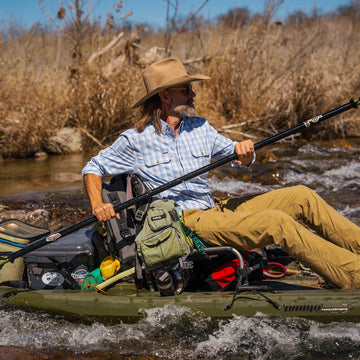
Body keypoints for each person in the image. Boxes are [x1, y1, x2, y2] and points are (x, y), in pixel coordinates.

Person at [82, 58, 360, 289]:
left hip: (214, 210)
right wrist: (98, 204)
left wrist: (245, 152)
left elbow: (235, 154)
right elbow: (93, 167)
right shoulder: (135, 140)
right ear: (165, 96)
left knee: (302, 196)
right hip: (185, 224)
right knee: (277, 223)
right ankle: (353, 276)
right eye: (186, 89)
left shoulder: (201, 127)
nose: (194, 94)